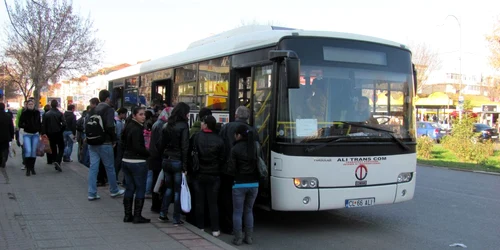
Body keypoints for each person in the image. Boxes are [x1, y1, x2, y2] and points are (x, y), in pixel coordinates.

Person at [218, 106, 258, 234]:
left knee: (228, 200)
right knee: (247, 207)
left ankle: (230, 227)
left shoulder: (226, 127)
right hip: (248, 173)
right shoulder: (252, 130)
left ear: (235, 116)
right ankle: (247, 230)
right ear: (247, 117)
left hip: (228, 171)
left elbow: (220, 146)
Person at [86, 90, 124, 201]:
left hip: (92, 142)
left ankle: (92, 192)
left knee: (93, 168)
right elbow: (110, 126)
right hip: (105, 142)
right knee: (110, 167)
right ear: (107, 99)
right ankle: (114, 190)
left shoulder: (93, 109)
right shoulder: (109, 109)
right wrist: (114, 139)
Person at [158, 102, 190, 225]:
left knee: (168, 188)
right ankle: (176, 218)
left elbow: (161, 144)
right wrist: (185, 166)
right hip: (177, 160)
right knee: (178, 190)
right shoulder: (183, 126)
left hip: (166, 159)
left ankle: (163, 213)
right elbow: (185, 147)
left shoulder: (167, 125)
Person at [192, 115, 225, 237]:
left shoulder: (196, 137)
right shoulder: (219, 139)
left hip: (199, 173)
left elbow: (191, 154)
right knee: (213, 202)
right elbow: (222, 158)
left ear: (205, 124)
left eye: (202, 122)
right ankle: (215, 228)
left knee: (199, 202)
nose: (201, 124)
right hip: (214, 174)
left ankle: (200, 226)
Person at [228, 125, 260, 245]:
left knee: (237, 212)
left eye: (235, 134)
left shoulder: (235, 149)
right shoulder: (255, 146)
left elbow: (231, 168)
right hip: (254, 184)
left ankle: (238, 238)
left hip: (239, 184)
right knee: (249, 210)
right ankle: (249, 237)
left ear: (239, 135)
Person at [121, 107, 151, 224]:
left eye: (144, 114)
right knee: (140, 188)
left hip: (126, 160)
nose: (143, 116)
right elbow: (138, 147)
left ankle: (127, 215)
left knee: (129, 188)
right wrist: (148, 153)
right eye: (140, 114)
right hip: (137, 162)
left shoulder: (127, 126)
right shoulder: (137, 128)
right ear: (134, 115)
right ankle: (137, 216)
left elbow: (123, 143)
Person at [148, 108, 169, 213]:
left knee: (156, 181)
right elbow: (160, 144)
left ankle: (156, 205)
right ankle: (157, 205)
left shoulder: (157, 123)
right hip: (158, 159)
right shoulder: (162, 126)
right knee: (158, 182)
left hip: (154, 157)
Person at [18, 100, 42, 176]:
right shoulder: (24, 113)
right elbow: (20, 124)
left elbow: (39, 122)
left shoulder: (37, 113)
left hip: (35, 134)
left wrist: (39, 130)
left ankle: (32, 168)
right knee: (28, 150)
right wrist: (26, 126)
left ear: (34, 105)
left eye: (32, 104)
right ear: (27, 105)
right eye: (29, 104)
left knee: (33, 151)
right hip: (27, 134)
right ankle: (28, 169)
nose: (31, 105)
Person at [42, 100, 66, 172]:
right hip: (58, 132)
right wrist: (61, 130)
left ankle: (55, 160)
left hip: (50, 133)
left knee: (53, 147)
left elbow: (44, 124)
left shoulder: (47, 114)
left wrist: (44, 133)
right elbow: (64, 124)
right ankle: (58, 161)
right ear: (57, 105)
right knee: (61, 147)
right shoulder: (60, 113)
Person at [0, 103, 15, 168]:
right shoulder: (8, 116)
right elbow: (11, 127)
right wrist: (12, 136)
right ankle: (4, 158)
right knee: (5, 148)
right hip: (6, 136)